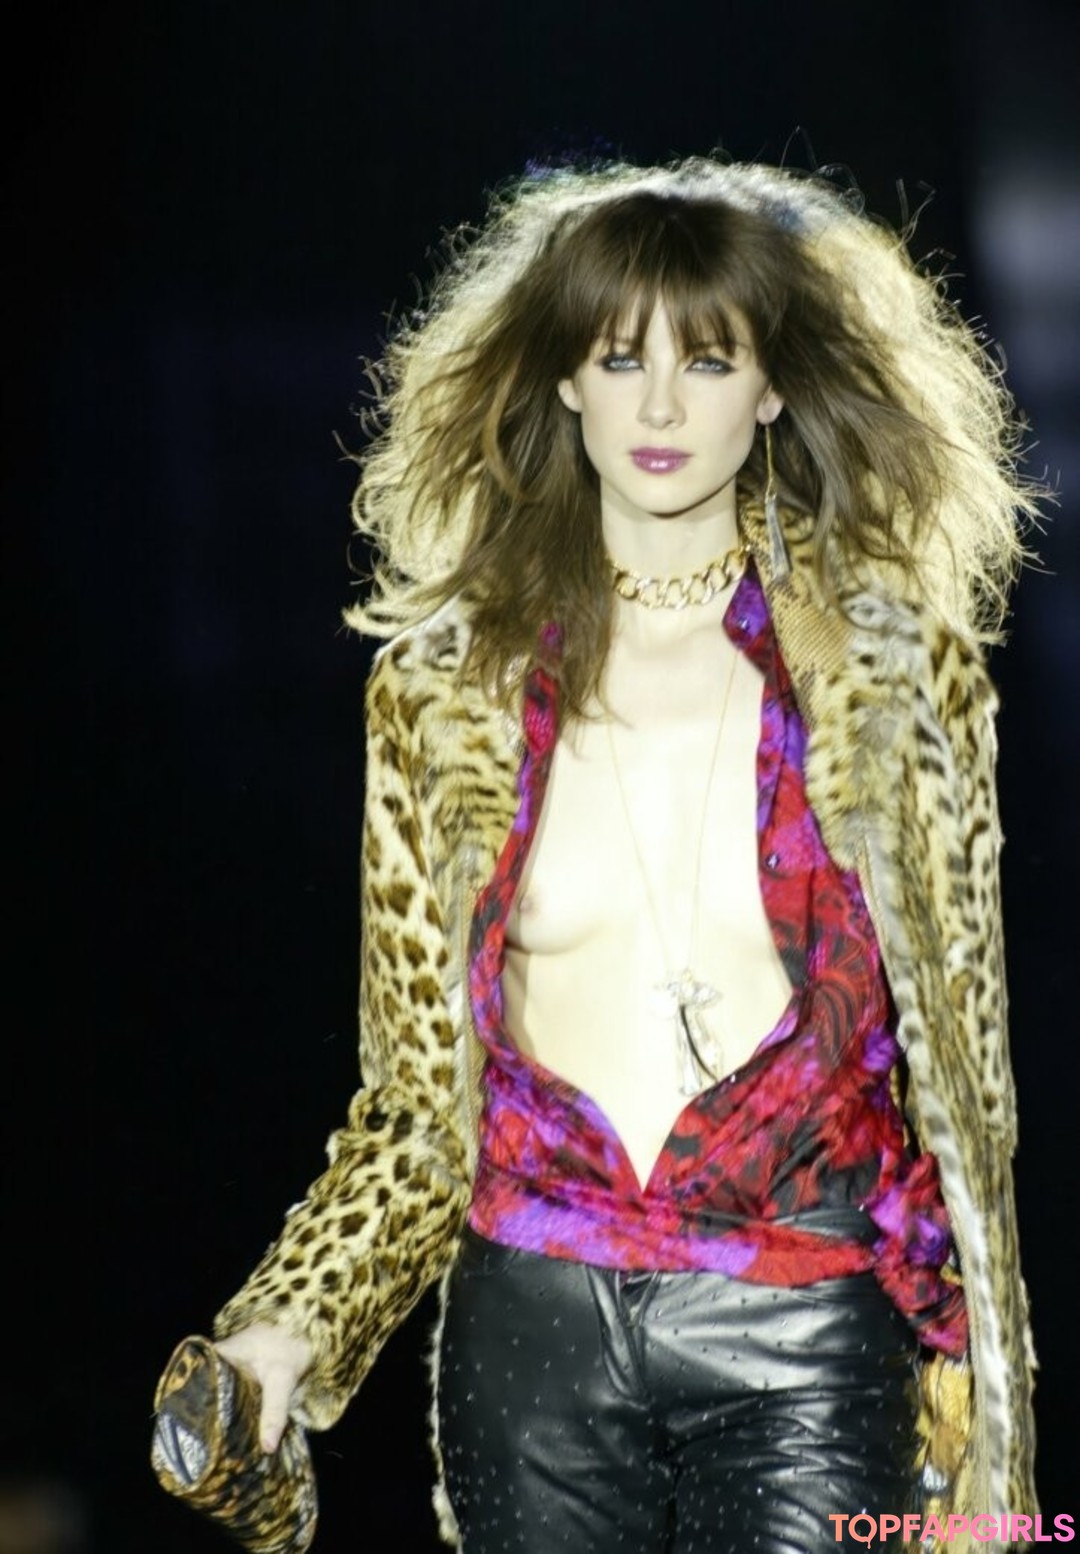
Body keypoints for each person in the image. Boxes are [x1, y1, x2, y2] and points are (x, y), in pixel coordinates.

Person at [202, 155, 1040, 1551]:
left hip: (804, 1321)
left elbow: (969, 1097)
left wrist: (995, 1445)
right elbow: (418, 1105)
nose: (659, 407)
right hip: (534, 1328)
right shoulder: (447, 693)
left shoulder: (893, 679)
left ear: (770, 389)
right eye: (618, 357)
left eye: (707, 360)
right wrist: (286, 1328)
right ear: (562, 379)